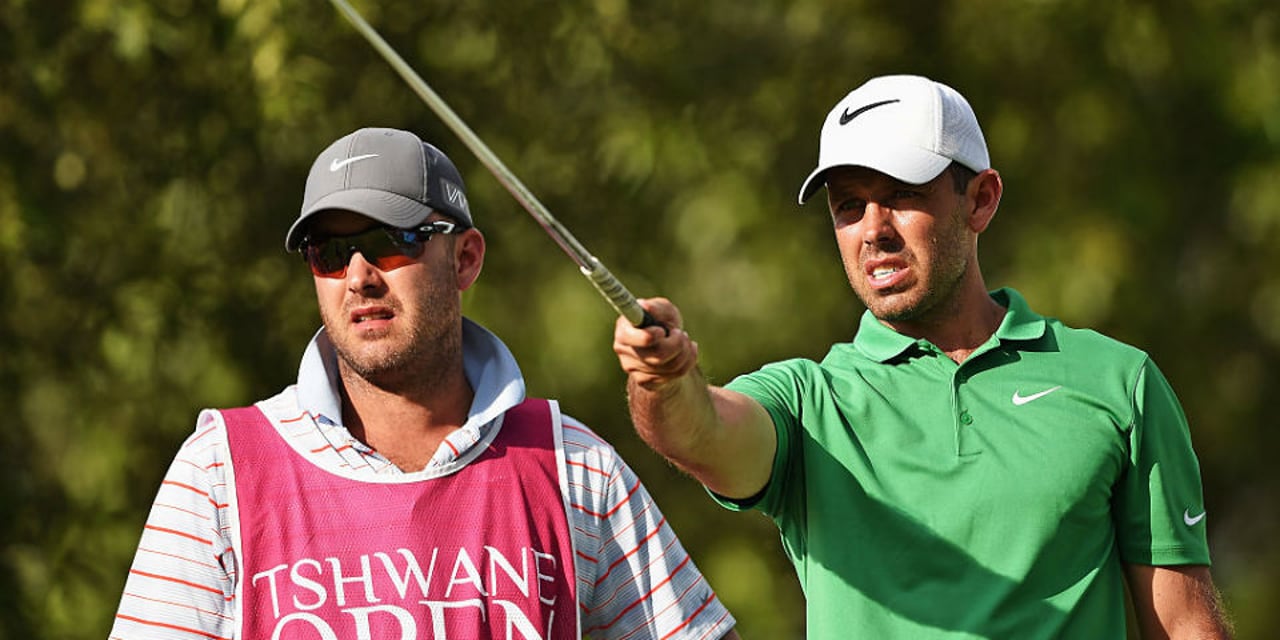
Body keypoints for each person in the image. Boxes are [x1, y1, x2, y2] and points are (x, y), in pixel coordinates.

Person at [613, 75, 1233, 638]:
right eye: (849, 206)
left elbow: (1184, 624)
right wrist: (662, 380)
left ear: (981, 199)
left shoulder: (1117, 381)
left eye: (902, 194)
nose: (873, 228)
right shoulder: (809, 402)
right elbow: (703, 433)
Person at [110, 127, 740, 640]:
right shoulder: (221, 468)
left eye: (388, 242)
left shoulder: (574, 465)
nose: (357, 277)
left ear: (464, 258)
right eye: (329, 253)